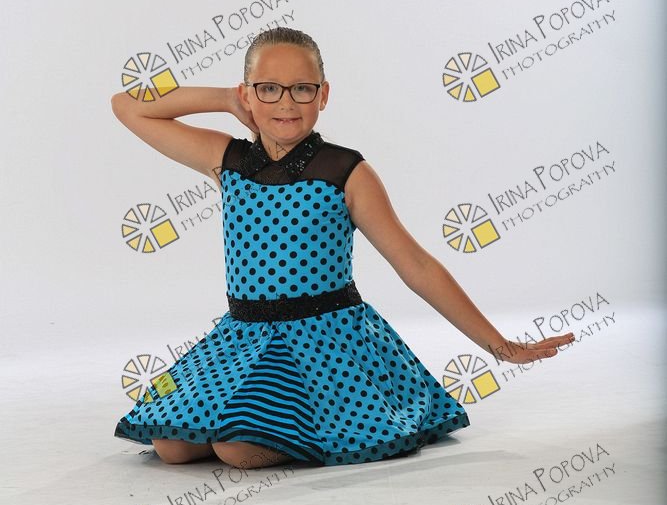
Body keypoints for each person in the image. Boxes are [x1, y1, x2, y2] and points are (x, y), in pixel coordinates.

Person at [111, 27, 574, 471]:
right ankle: (257, 420)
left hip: (322, 343)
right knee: (171, 445)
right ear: (248, 94)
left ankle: (305, 427)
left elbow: (415, 265)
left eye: (302, 89)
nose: (286, 103)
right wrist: (225, 100)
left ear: (324, 95)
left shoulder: (345, 171)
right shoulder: (226, 160)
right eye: (268, 89)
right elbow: (127, 106)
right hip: (242, 338)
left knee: (235, 450)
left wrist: (498, 346)